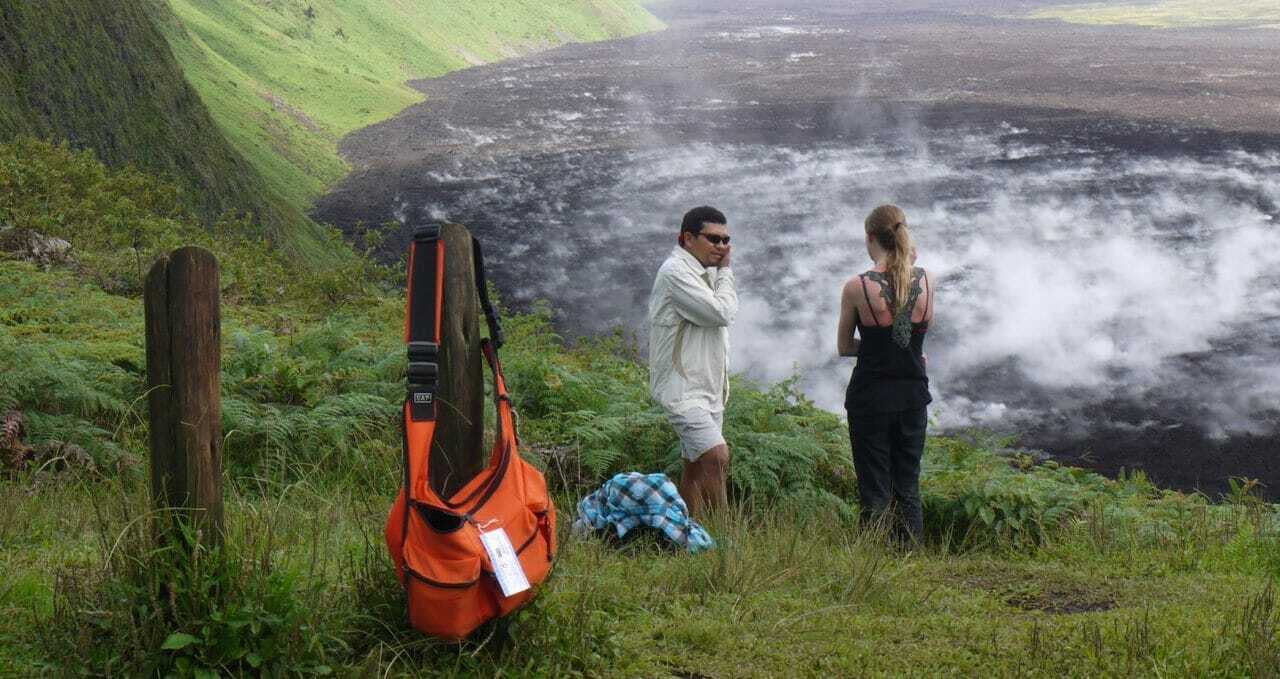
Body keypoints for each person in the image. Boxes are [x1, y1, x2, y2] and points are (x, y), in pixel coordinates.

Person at [836, 204, 933, 545]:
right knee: (908, 485)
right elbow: (912, 338)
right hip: (913, 397)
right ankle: (912, 560)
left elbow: (845, 346)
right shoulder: (926, 280)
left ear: (871, 237)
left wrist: (876, 347)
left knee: (874, 487)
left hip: (871, 399)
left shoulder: (857, 287)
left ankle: (874, 565)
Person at [648, 206, 738, 518]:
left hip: (708, 389)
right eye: (714, 239)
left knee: (696, 468)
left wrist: (719, 273)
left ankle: (688, 538)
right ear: (688, 238)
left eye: (726, 240)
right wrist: (726, 273)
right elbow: (720, 313)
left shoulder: (703, 272)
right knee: (716, 456)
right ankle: (726, 538)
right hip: (682, 389)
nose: (722, 247)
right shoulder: (676, 273)